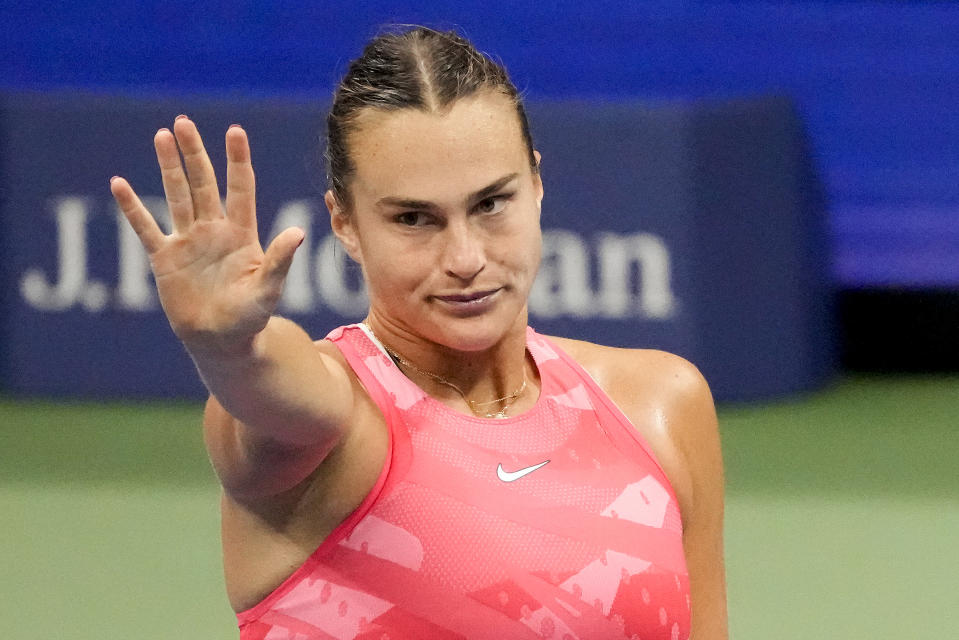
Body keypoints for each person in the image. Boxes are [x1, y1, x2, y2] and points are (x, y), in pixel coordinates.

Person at [110, 26, 727, 640]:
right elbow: (269, 393)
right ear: (345, 223)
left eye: (491, 204)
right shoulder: (334, 425)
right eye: (413, 218)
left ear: (535, 184)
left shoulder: (659, 405)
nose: (464, 257)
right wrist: (230, 348)